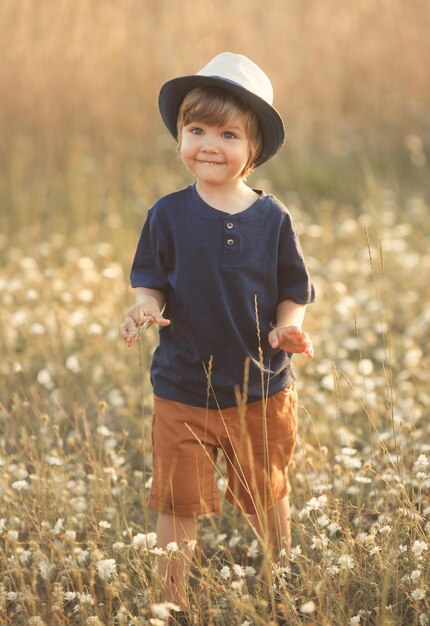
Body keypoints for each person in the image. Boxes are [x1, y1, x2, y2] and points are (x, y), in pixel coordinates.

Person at [119, 52, 315, 626]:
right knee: (177, 502)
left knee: (267, 492)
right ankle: (171, 600)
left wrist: (290, 328)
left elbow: (292, 289)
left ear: (253, 149)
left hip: (260, 387)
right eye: (195, 129)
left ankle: (282, 578)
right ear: (179, 135)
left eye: (227, 133)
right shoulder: (167, 215)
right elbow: (150, 282)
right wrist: (144, 311)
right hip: (182, 390)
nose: (208, 143)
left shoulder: (273, 218)